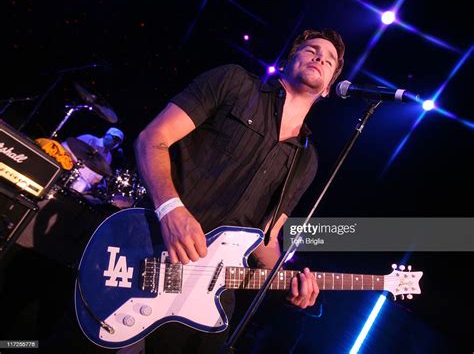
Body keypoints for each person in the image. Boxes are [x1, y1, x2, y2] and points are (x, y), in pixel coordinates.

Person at [135, 28, 345, 352]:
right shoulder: (233, 82)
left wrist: (288, 279)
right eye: (311, 49)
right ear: (290, 58)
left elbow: (266, 238)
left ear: (329, 88)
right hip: (147, 247)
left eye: (329, 60)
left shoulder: (307, 160)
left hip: (204, 294)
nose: (320, 57)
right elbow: (153, 139)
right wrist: (170, 210)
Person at [61, 127, 124, 193]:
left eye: (118, 142)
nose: (115, 143)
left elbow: (98, 176)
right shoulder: (89, 138)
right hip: (69, 170)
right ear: (107, 135)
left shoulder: (109, 157)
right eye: (115, 138)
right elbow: (66, 147)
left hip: (84, 184)